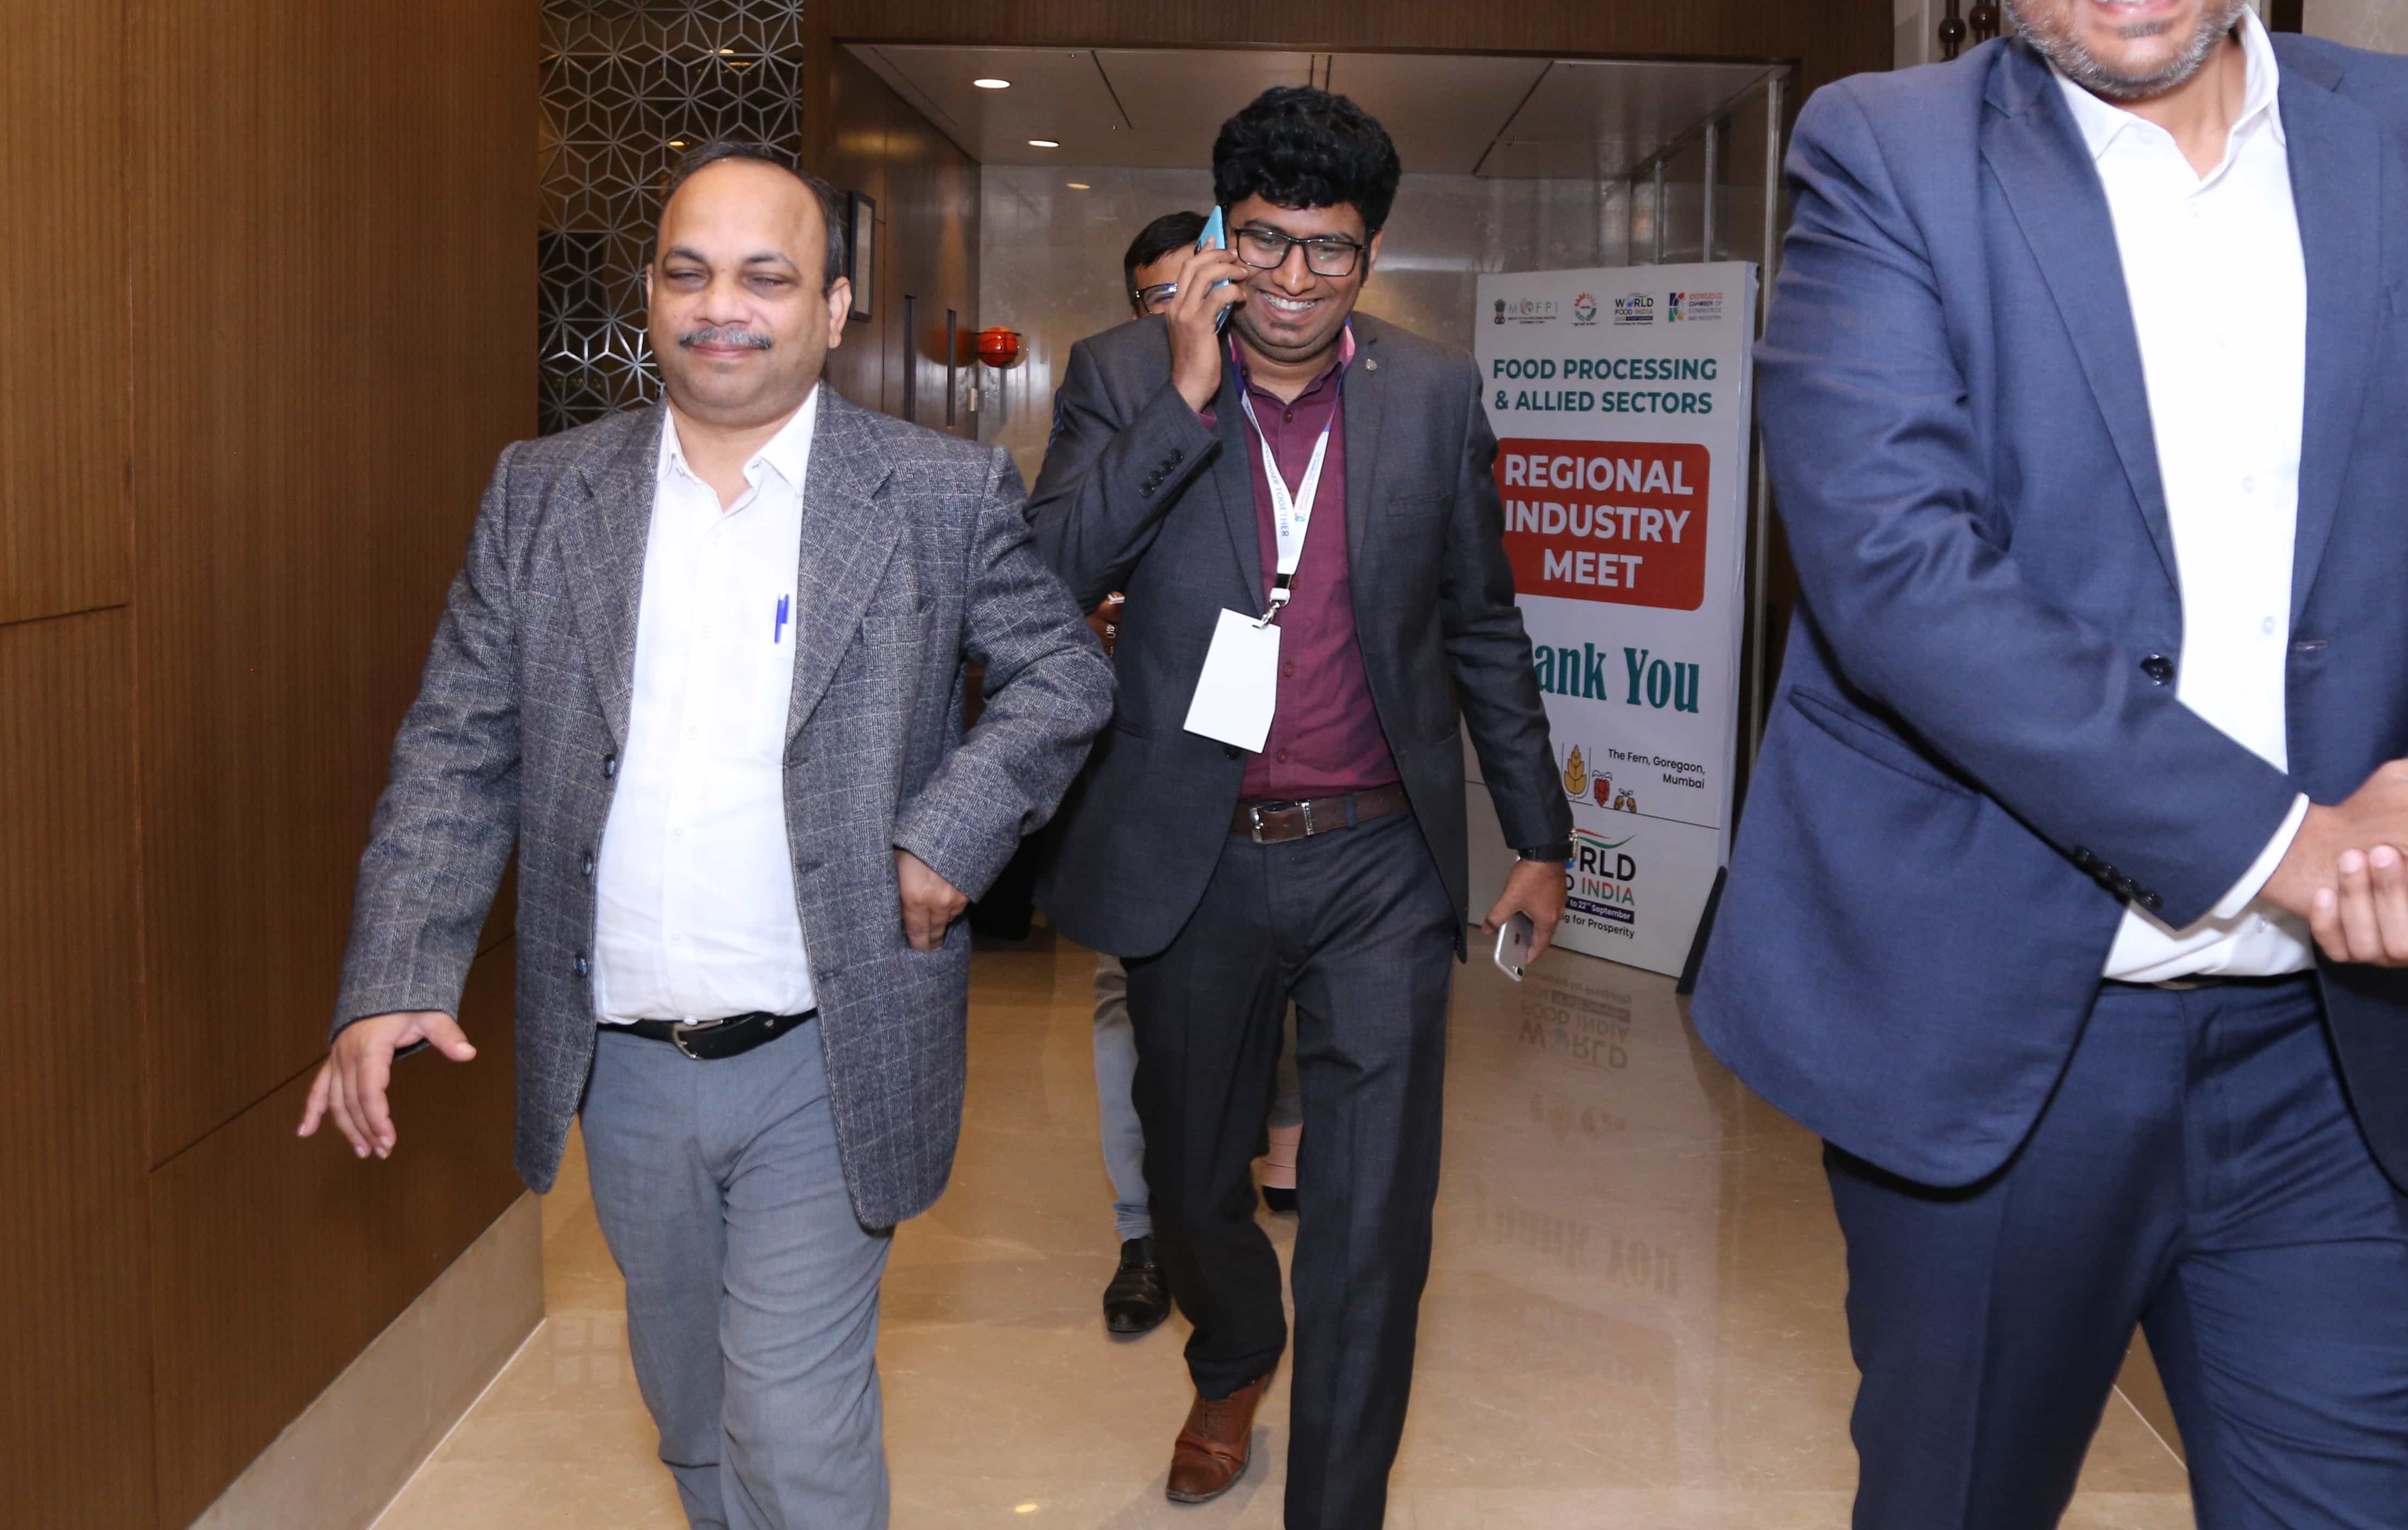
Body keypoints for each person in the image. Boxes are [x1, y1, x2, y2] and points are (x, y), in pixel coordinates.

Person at [1692, 0, 2408, 1528]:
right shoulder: (1889, 160)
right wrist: (2291, 845)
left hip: (2341, 1049)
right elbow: (1901, 577)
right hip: (2003, 1042)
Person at [298, 141, 1112, 1530]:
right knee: (693, 1415)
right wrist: (395, 975)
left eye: (765, 278)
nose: (721, 307)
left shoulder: (935, 492)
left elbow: (1064, 676)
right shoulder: (546, 492)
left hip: (830, 1047)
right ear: (653, 296)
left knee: (791, 1422)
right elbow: (458, 744)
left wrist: (950, 833)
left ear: (834, 308)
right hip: (624, 1059)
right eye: (690, 273)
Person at [1029, 87, 1573, 1525]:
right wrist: (1184, 392)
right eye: (1264, 240)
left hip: (1378, 860)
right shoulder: (1122, 374)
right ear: (1223, 233)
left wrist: (1540, 835)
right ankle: (1235, 1351)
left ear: (1370, 254)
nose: (1292, 278)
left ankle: (1338, 1503)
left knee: (1374, 1213)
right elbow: (1046, 576)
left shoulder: (1432, 395)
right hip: (1191, 859)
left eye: (1328, 249)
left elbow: (1483, 625)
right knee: (1193, 1180)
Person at [1085, 213, 1307, 1342]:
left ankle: (1267, 1163)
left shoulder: (1296, 400)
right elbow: (1059, 552)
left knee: (1278, 998)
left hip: (1282, 775)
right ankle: (1144, 1232)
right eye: (1159, 297)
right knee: (1129, 1012)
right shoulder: (1121, 393)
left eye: (1206, 286)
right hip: (1153, 780)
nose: (1190, 312)